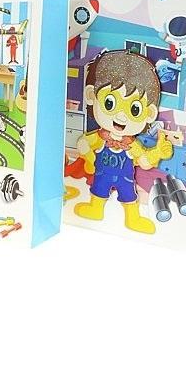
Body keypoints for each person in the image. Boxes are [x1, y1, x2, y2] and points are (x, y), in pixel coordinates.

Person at [73, 50, 173, 234]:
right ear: (91, 95)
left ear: (150, 113)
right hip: (101, 175)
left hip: (126, 179)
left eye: (134, 110)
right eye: (109, 104)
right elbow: (83, 144)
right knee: (98, 190)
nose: (121, 116)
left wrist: (158, 152)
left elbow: (144, 161)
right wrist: (89, 159)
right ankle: (95, 209)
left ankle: (132, 217)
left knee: (129, 196)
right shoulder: (100, 136)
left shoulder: (132, 144)